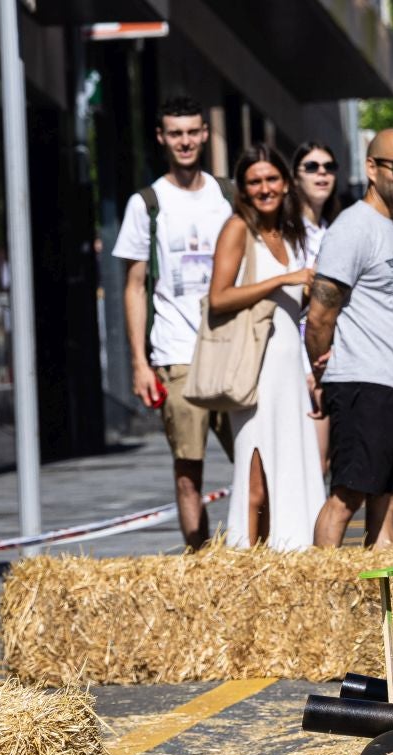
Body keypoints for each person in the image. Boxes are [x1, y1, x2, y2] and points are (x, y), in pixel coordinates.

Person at [111, 95, 235, 550]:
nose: (185, 141)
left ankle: (257, 556)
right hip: (176, 354)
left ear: (205, 134)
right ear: (162, 138)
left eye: (192, 132)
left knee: (256, 460)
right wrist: (140, 364)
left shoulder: (228, 196)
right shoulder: (146, 204)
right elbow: (134, 286)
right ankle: (200, 559)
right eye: (175, 134)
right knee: (189, 470)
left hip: (230, 352)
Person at [305, 128, 393, 548]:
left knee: (390, 500)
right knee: (348, 494)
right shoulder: (353, 226)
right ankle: (324, 597)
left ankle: (381, 606)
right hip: (362, 380)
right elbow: (320, 313)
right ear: (372, 167)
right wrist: (321, 368)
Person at [208, 145, 325, 549]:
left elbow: (291, 306)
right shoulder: (238, 228)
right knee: (256, 468)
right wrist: (282, 280)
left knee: (293, 460)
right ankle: (250, 555)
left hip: (290, 367)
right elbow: (218, 298)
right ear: (242, 188)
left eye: (271, 178)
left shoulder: (289, 232)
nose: (264, 188)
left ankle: (293, 547)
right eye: (254, 181)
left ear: (286, 182)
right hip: (255, 368)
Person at [292, 142, 345, 484]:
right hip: (299, 355)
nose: (322, 173)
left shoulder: (340, 228)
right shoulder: (285, 231)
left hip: (339, 353)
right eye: (311, 167)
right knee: (311, 462)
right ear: (295, 177)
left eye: (328, 166)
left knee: (329, 463)